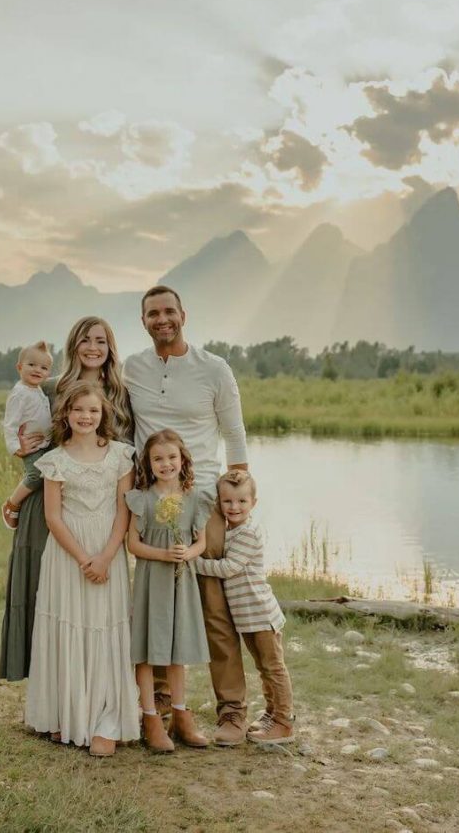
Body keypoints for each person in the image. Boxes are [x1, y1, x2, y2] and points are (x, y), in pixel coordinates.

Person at [122, 286, 249, 746]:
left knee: (213, 611)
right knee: (157, 608)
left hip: (203, 502)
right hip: (153, 504)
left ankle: (232, 710)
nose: (162, 319)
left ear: (183, 315)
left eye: (169, 311)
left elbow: (235, 436)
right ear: (143, 320)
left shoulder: (214, 368)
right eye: (152, 313)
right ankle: (158, 710)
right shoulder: (133, 368)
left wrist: (238, 504)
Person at [0, 316, 133, 681]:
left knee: (91, 603)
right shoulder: (52, 388)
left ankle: (92, 686)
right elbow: (24, 425)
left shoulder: (122, 392)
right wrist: (19, 448)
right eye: (85, 340)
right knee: (44, 592)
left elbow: (129, 451)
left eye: (101, 341)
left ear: (110, 348)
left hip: (100, 509)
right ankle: (50, 686)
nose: (93, 347)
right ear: (73, 345)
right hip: (50, 500)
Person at [24, 382, 139, 755]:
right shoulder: (55, 459)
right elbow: (53, 517)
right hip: (66, 555)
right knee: (68, 625)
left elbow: (124, 511)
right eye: (78, 411)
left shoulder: (121, 455)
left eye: (92, 410)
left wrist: (105, 556)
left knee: (105, 629)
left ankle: (106, 721)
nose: (86, 417)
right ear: (66, 415)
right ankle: (67, 715)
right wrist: (82, 558)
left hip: (108, 550)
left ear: (103, 413)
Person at [126, 429, 210, 753]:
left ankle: (180, 715)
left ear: (183, 459)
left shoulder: (194, 497)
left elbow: (200, 541)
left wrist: (189, 553)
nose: (166, 464)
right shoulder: (142, 498)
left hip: (181, 582)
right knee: (147, 650)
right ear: (148, 463)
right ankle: (150, 718)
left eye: (172, 457)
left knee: (177, 650)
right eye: (158, 459)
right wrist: (163, 555)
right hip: (151, 581)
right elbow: (132, 544)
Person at [195, 470, 295, 745]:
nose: (234, 507)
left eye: (241, 501)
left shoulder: (248, 533)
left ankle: (285, 722)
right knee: (263, 669)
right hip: (247, 618)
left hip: (261, 615)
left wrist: (193, 561)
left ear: (254, 503)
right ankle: (271, 714)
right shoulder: (232, 531)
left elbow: (228, 568)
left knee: (273, 668)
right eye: (227, 502)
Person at [1, 341, 53, 530]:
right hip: (30, 447)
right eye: (32, 365)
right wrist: (17, 449)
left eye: (44, 367)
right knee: (36, 474)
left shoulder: (37, 389)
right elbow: (10, 425)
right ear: (19, 367)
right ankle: (11, 504)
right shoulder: (19, 394)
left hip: (43, 445)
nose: (38, 370)